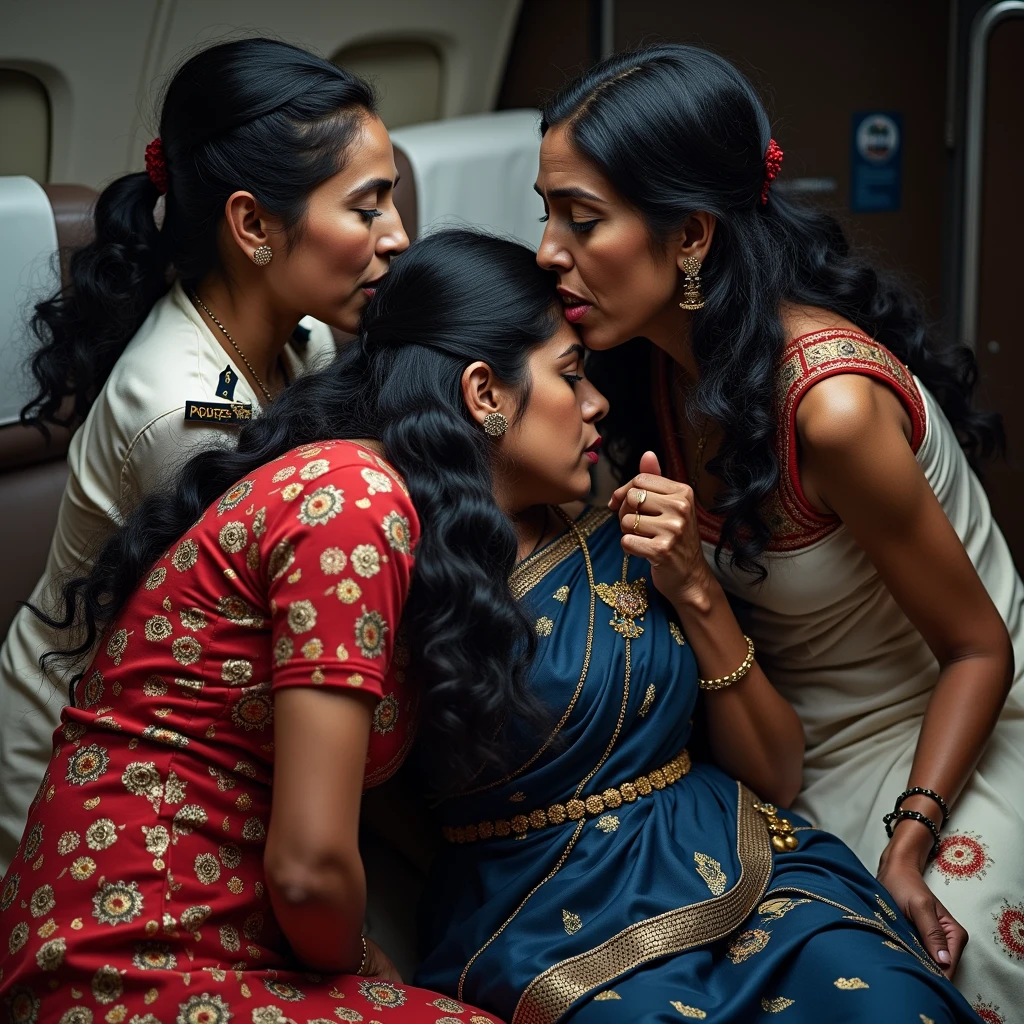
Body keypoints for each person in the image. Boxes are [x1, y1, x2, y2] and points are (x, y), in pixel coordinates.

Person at [531, 43, 1023, 1016]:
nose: (549, 250)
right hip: (776, 738)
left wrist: (909, 840)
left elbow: (978, 648)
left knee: (923, 965)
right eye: (544, 213)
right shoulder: (643, 369)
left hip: (943, 732)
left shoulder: (828, 408)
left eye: (581, 220)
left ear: (690, 236)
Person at [0, 37, 409, 875]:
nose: (398, 236)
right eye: (366, 208)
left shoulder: (306, 336)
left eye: (391, 201)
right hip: (85, 753)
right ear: (253, 224)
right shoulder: (183, 414)